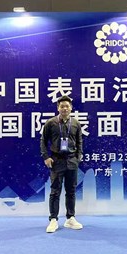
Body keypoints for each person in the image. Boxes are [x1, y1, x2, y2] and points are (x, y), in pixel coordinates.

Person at [40, 95, 84, 233]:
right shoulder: (51, 123)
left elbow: (79, 141)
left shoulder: (75, 123)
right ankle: (53, 219)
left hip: (71, 161)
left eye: (67, 106)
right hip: (56, 161)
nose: (65, 108)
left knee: (71, 191)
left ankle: (70, 218)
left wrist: (78, 157)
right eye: (62, 106)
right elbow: (43, 141)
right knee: (55, 191)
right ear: (58, 108)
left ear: (71, 108)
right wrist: (46, 157)